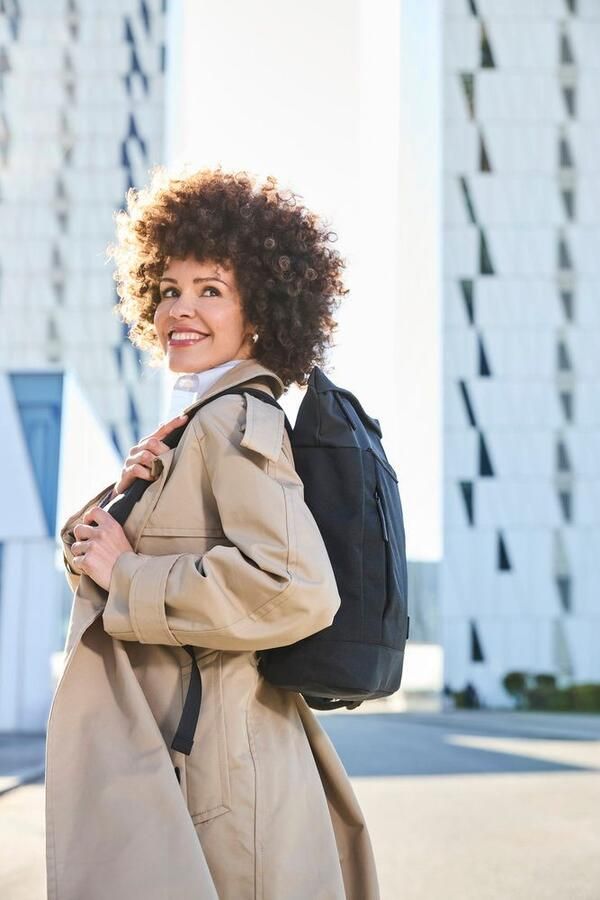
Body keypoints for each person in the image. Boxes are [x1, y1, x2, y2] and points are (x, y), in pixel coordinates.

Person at [45, 165, 380, 900]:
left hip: (214, 782)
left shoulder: (235, 417)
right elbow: (111, 560)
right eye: (169, 290)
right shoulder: (198, 424)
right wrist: (127, 496)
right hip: (199, 764)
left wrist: (129, 576)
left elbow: (294, 589)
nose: (180, 310)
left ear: (257, 310)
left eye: (211, 290)